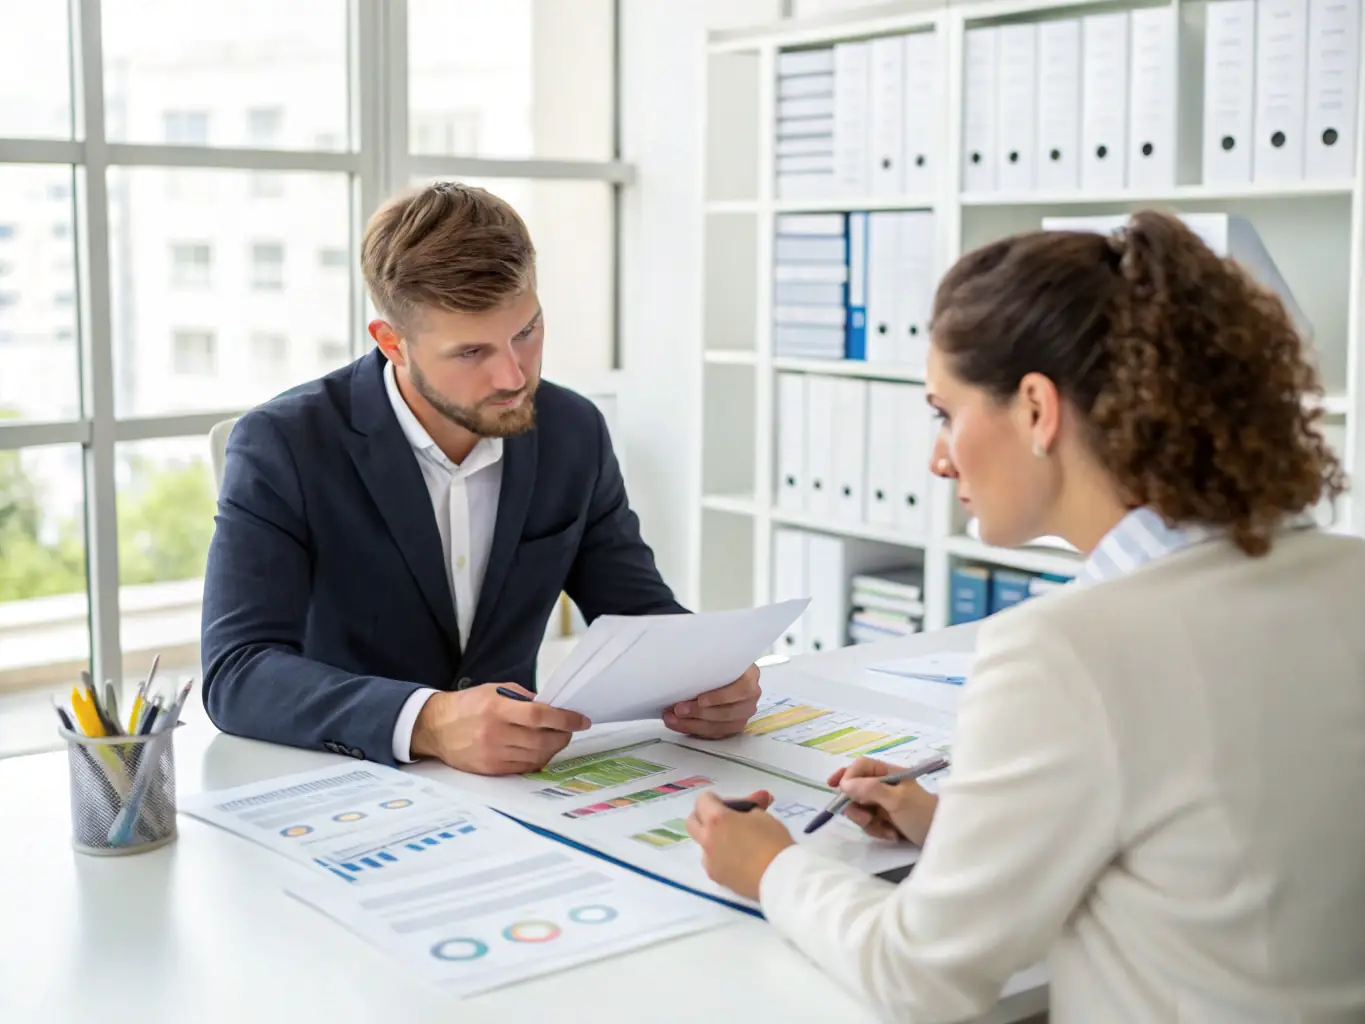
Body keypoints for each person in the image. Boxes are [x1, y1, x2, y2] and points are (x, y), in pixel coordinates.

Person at [686, 210, 1365, 1021]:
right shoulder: (1345, 578)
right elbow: (1217, 866)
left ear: (1038, 410)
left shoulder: (1066, 653)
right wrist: (963, 831)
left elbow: (921, 979)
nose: (937, 459)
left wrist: (770, 867)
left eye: (945, 413)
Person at [201, 182, 760, 774]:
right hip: (344, 782)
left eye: (526, 333)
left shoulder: (574, 431)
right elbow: (238, 670)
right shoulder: (283, 444)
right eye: (472, 353)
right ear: (393, 343)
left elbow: (638, 613)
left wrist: (707, 680)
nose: (514, 376)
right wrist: (430, 721)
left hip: (519, 789)